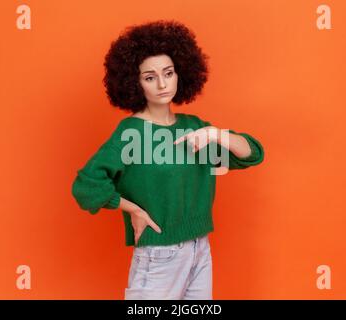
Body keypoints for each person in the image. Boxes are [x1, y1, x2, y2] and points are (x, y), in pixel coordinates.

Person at [71, 19, 264, 300]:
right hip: (159, 254)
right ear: (135, 83)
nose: (162, 84)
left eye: (169, 73)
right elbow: (86, 187)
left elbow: (252, 154)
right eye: (150, 77)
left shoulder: (195, 128)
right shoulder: (131, 132)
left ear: (181, 74)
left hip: (200, 248)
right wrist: (131, 209)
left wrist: (216, 134)